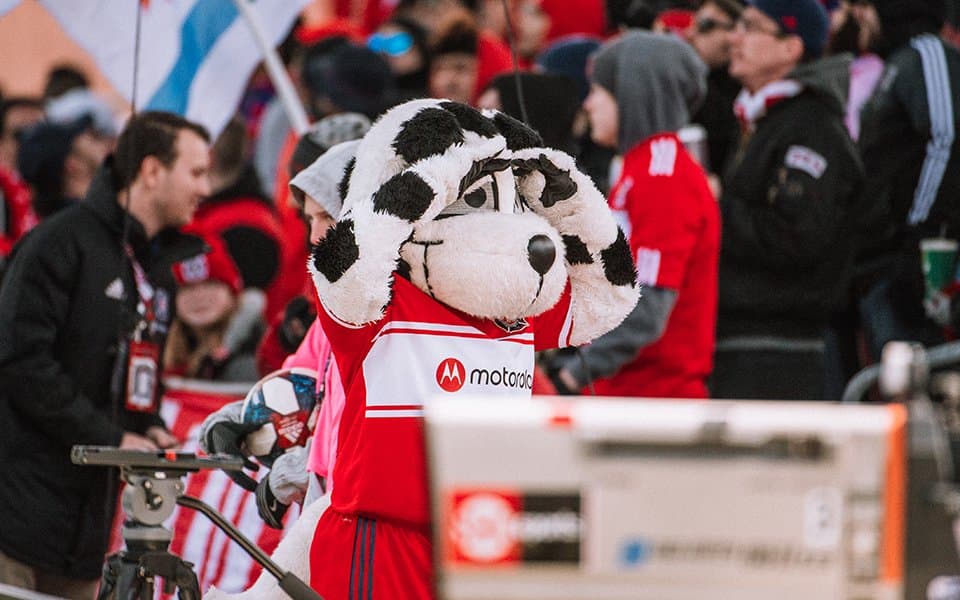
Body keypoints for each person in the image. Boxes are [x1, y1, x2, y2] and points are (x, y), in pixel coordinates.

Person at [0, 111, 211, 598]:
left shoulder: (157, 268)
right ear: (152, 171)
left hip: (87, 531)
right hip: (15, 518)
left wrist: (148, 424)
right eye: (196, 172)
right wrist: (112, 436)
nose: (205, 189)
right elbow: (20, 361)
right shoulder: (58, 242)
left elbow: (136, 374)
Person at [549, 30, 718, 399]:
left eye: (599, 91)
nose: (589, 103)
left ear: (632, 94)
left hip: (655, 402)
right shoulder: (639, 169)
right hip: (626, 392)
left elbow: (649, 307)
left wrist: (573, 377)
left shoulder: (664, 176)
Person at [711, 0, 865, 401]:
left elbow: (794, 237)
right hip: (747, 339)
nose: (734, 37)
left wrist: (714, 205)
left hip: (780, 352)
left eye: (751, 26)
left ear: (791, 48)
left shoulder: (811, 128)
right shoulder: (765, 121)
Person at [855, 0, 960, 359]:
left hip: (906, 262)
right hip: (879, 261)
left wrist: (921, 237)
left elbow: (945, 137)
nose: (859, 15)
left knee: (916, 392)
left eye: (866, 5)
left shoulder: (927, 53)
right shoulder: (899, 61)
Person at [164, 230, 261, 382]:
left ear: (232, 293)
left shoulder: (254, 356)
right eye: (187, 287)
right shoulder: (158, 349)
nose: (199, 296)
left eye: (211, 283)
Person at [685, 0, 743, 174]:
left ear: (734, 32)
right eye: (693, 23)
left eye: (705, 25)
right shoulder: (687, 75)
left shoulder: (746, 88)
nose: (691, 33)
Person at [16, 117, 113, 220]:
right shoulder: (92, 221)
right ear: (73, 165)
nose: (108, 144)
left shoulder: (56, 223)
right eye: (95, 138)